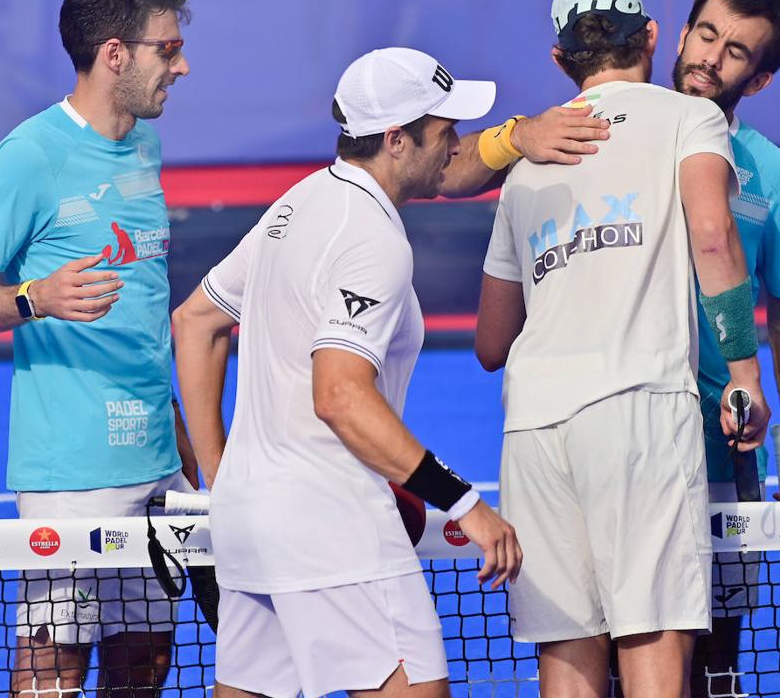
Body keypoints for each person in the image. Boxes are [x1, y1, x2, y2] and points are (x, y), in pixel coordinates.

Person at [173, 47, 522, 698]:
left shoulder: (294, 207)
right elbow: (338, 395)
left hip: (253, 523)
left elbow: (195, 322)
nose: (457, 146)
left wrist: (229, 474)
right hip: (334, 527)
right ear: (397, 140)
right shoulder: (373, 240)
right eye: (444, 131)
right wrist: (466, 504)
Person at [474, 0, 771, 698]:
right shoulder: (689, 119)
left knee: (568, 669)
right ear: (651, 37)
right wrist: (743, 374)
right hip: (641, 413)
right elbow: (712, 234)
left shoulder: (522, 172)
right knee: (653, 648)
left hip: (534, 431)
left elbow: (489, 344)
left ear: (558, 61)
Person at [0, 0, 199, 696]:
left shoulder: (144, 144)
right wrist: (37, 297)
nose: (182, 66)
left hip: (154, 459)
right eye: (168, 49)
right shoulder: (30, 156)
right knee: (54, 670)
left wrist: (177, 430)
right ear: (116, 54)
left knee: (144, 659)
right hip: (72, 476)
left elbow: (143, 307)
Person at [671, 0, 780, 697]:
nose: (711, 57)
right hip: (621, 439)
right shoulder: (600, 140)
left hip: (723, 448)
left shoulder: (774, 174)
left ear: (756, 81)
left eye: (735, 52)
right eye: (706, 34)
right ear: (679, 33)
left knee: (714, 660)